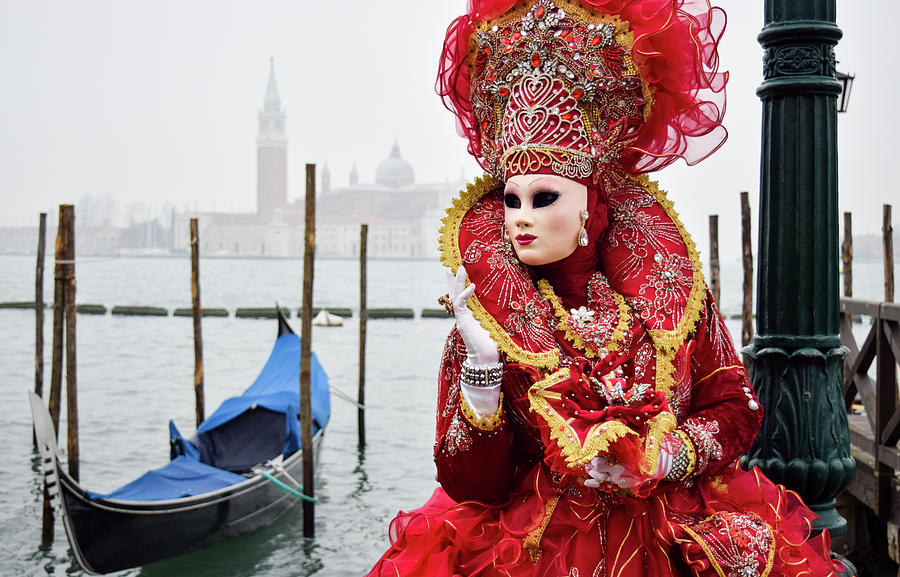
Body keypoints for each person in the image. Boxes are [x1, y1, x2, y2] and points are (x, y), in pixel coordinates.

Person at [367, 1, 845, 575]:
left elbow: (734, 407)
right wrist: (483, 370)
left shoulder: (670, 300)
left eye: (544, 199)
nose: (521, 217)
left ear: (590, 210)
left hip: (672, 539)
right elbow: (474, 486)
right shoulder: (489, 324)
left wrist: (664, 456)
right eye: (511, 200)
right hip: (535, 547)